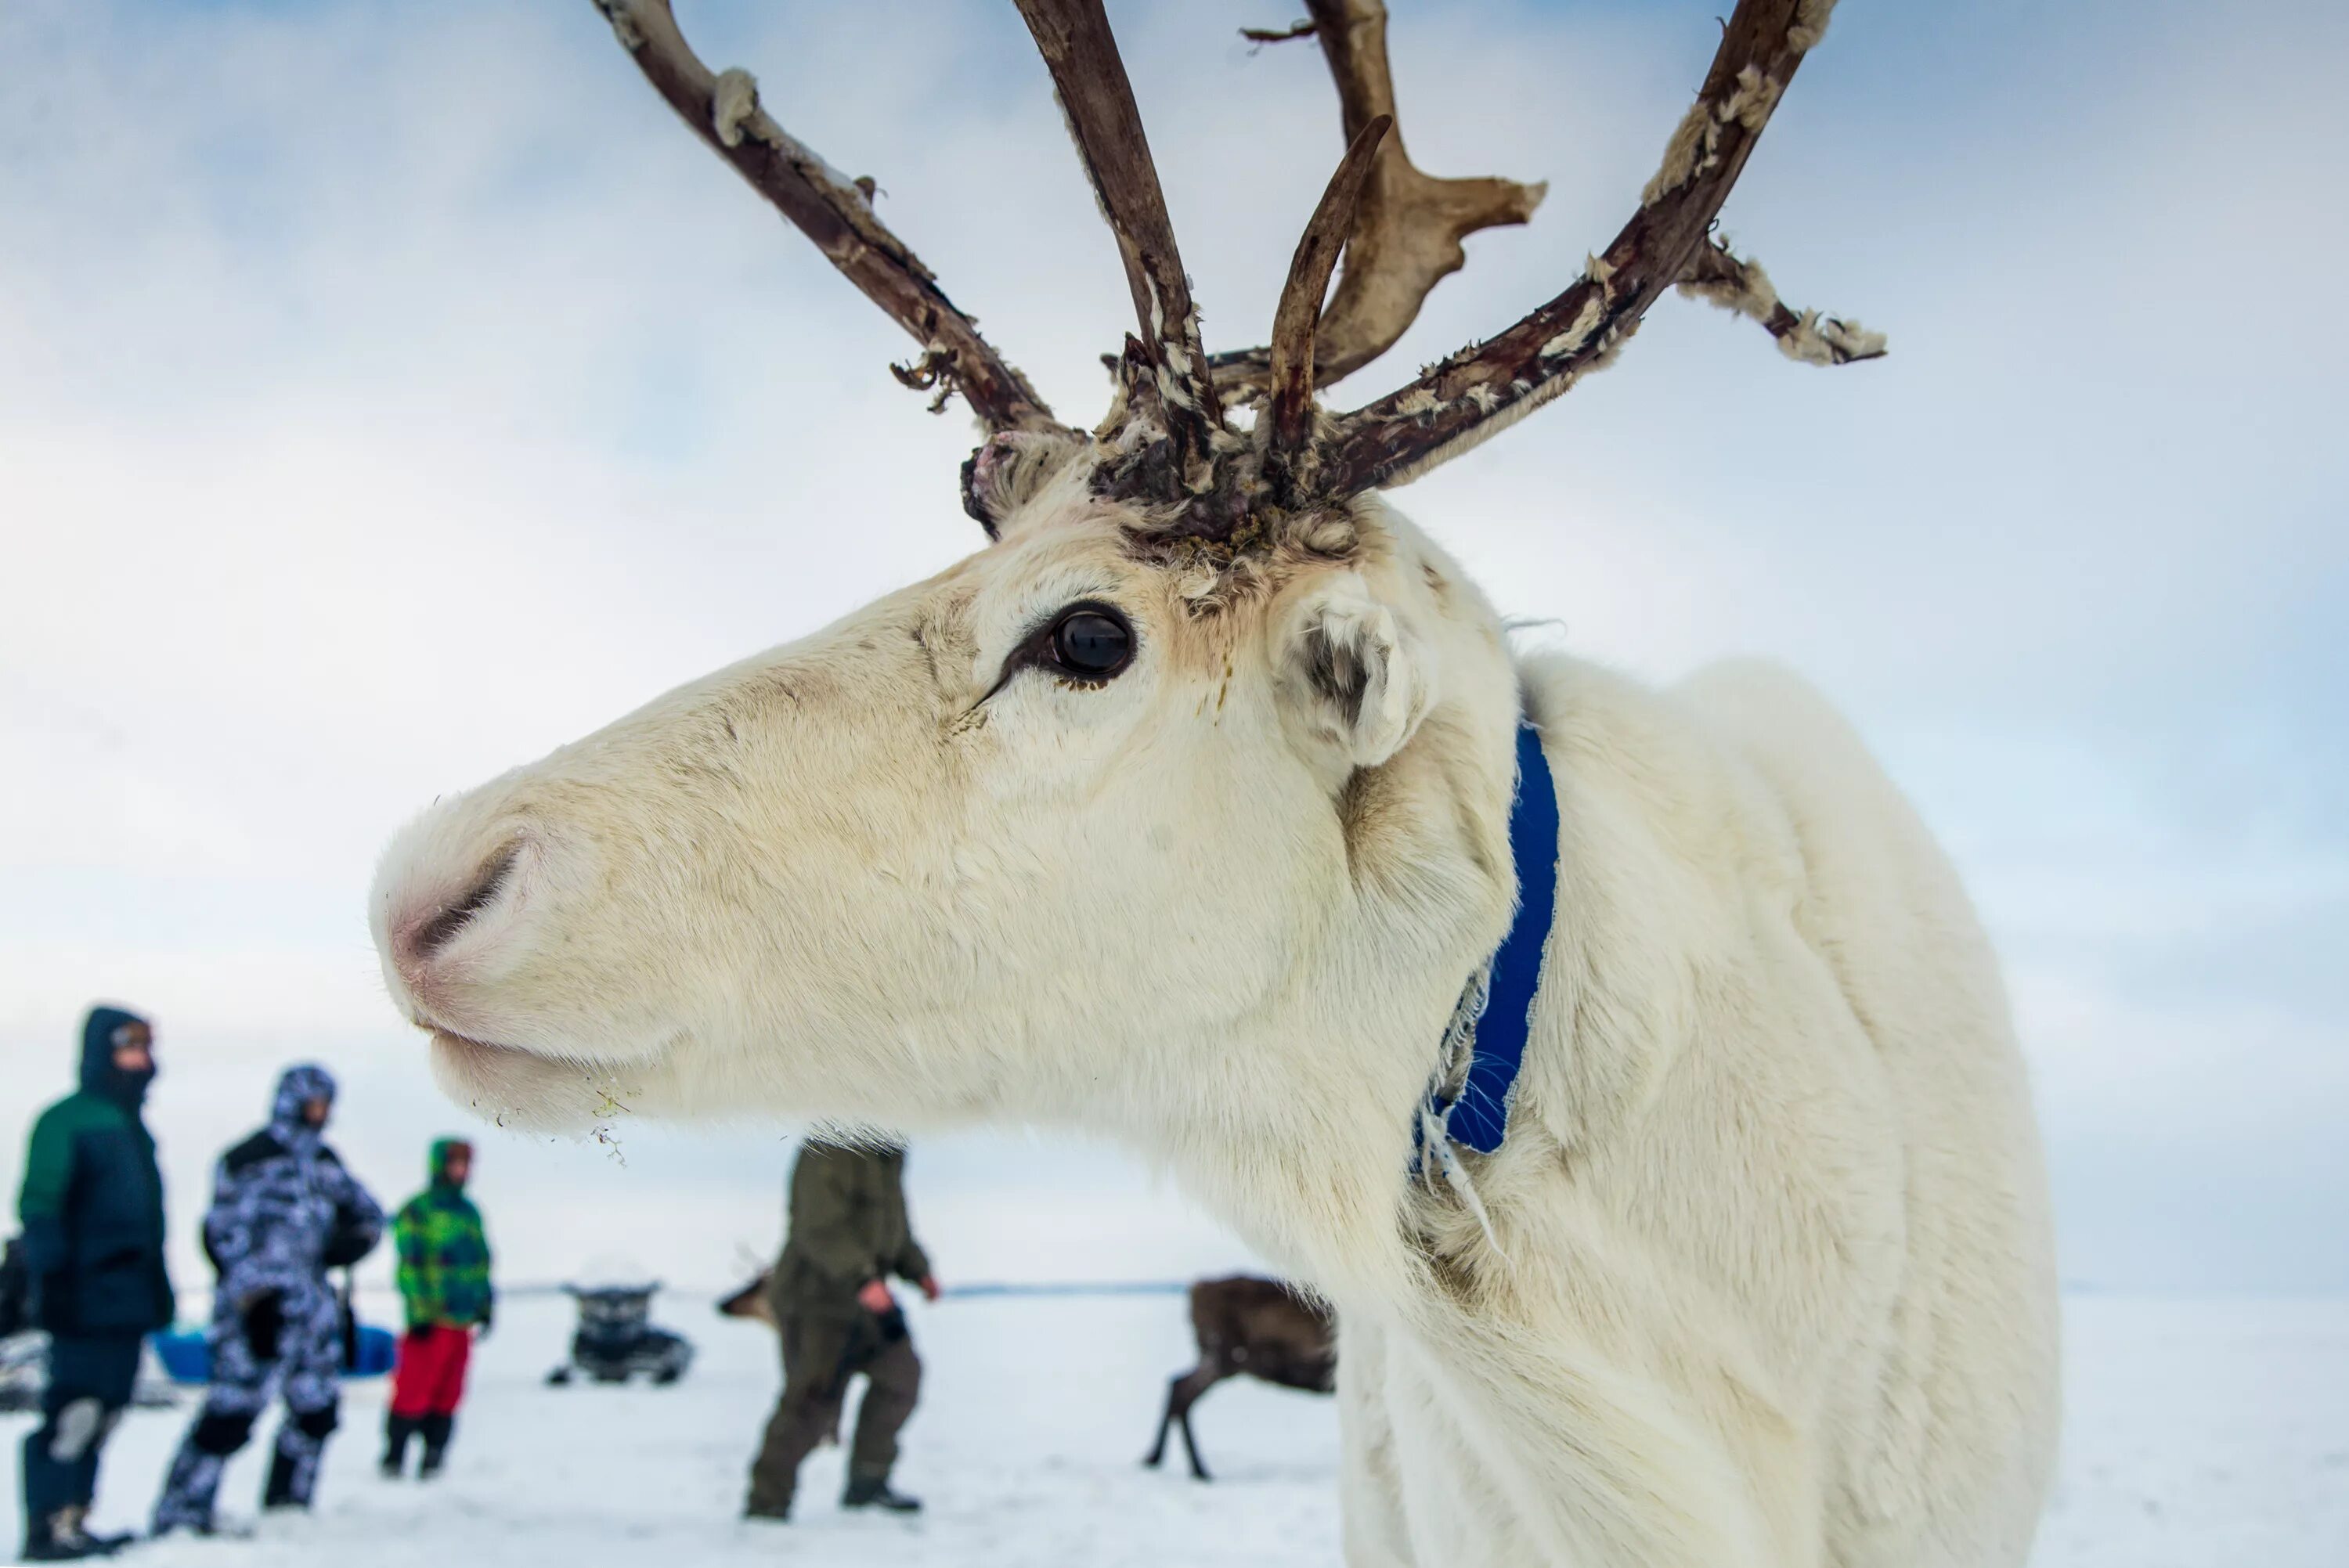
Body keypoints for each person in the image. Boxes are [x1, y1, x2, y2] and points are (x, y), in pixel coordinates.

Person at [151, 1065, 383, 1536]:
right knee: (231, 1414)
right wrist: (254, 1300)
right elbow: (221, 1235)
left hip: (313, 1314)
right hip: (254, 1312)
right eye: (313, 1104)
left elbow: (370, 1215)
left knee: (316, 1412)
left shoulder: (325, 1163)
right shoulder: (247, 1159)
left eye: (326, 1105)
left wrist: (351, 1243)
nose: (320, 1114)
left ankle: (287, 1506)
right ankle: (182, 1514)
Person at [14, 1005, 174, 1561]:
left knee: (106, 1413)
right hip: (80, 1297)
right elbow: (39, 1205)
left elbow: (148, 1223)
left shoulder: (133, 1128)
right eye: (129, 1047)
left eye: (145, 1048)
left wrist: (157, 1289)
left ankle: (76, 1520)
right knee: (73, 1413)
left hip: (127, 1300)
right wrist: (51, 1282)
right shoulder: (65, 1120)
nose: (141, 1060)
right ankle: (45, 1528)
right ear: (101, 1051)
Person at [745, 1138, 940, 1521]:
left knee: (901, 1377)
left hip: (868, 1302)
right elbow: (817, 1227)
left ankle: (868, 1484)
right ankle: (766, 1504)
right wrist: (862, 1279)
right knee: (811, 1402)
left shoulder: (889, 1150)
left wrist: (919, 1270)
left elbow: (893, 1227)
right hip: (816, 1298)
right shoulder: (831, 1142)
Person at [381, 1137, 493, 1480]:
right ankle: (395, 1457)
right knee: (413, 1391)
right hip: (429, 1320)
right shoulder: (418, 1210)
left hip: (461, 1321)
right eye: (454, 1164)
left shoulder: (469, 1213)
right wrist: (418, 1312)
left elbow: (480, 1264)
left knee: (449, 1394)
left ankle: (434, 1457)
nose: (461, 1171)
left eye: (465, 1165)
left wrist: (485, 1305)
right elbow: (409, 1266)